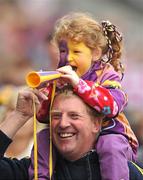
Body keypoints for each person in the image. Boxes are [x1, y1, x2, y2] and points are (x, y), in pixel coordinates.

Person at [34, 12, 138, 180]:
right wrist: (43, 95)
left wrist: (78, 84)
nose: (68, 58)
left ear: (95, 53)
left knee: (109, 145)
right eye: (63, 51)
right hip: (75, 139)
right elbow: (42, 117)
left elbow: (112, 106)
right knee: (44, 136)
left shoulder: (106, 74)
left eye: (76, 51)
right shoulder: (58, 79)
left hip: (112, 135)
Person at [0, 87, 142, 180]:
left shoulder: (124, 172)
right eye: (56, 116)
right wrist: (19, 115)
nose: (63, 123)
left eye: (74, 116)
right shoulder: (35, 169)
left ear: (96, 124)